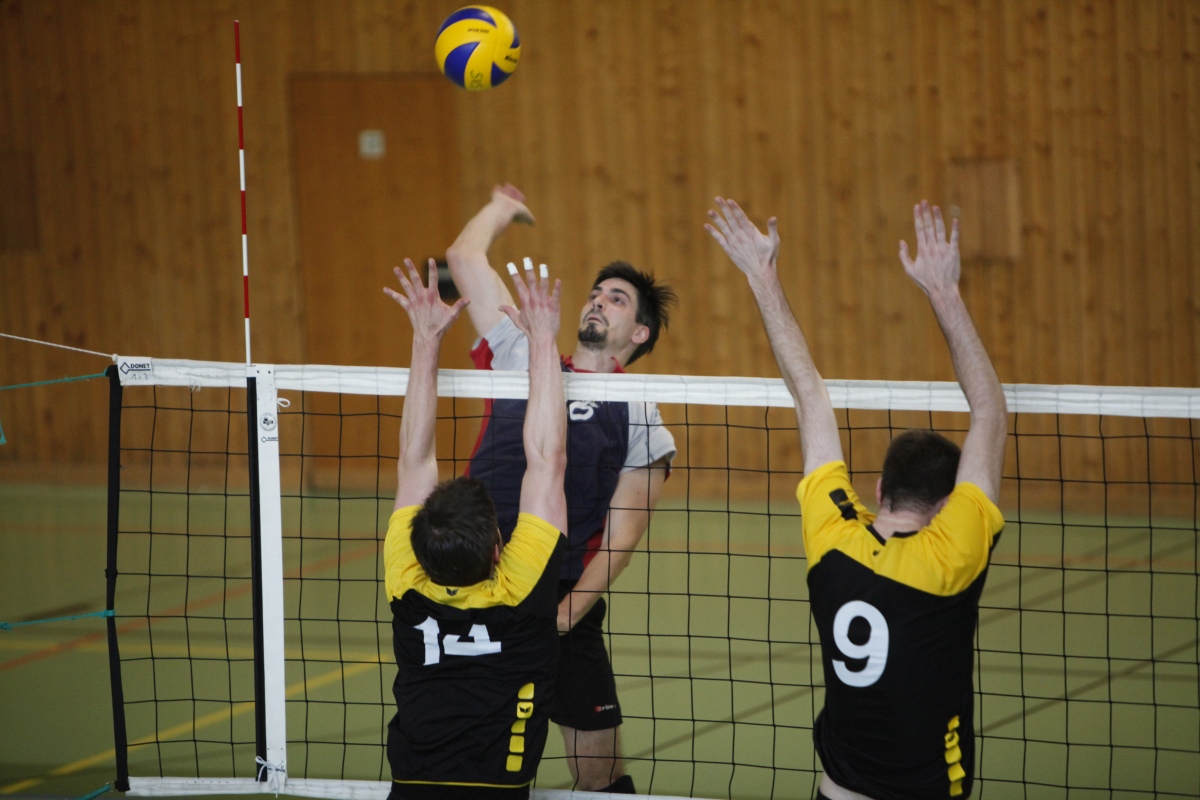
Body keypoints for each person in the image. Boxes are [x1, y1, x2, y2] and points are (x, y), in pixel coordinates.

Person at [706, 198, 1007, 800]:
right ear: (946, 505)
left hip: (836, 789)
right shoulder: (952, 556)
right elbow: (991, 413)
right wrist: (944, 293)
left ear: (878, 490)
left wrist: (762, 275)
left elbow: (809, 394)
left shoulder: (833, 538)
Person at [444, 185, 678, 792]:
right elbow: (464, 258)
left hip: (562, 598)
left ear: (640, 334)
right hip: (482, 583)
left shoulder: (639, 411)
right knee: (474, 763)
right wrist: (501, 207)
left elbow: (623, 536)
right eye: (596, 293)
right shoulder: (524, 349)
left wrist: (564, 618)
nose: (598, 301)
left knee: (599, 773)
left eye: (617, 299)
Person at [382, 257, 568, 800]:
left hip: (412, 787)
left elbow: (413, 460)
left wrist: (426, 339)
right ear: (497, 549)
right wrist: (542, 340)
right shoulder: (522, 589)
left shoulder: (408, 587)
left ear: (418, 547)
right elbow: (547, 458)